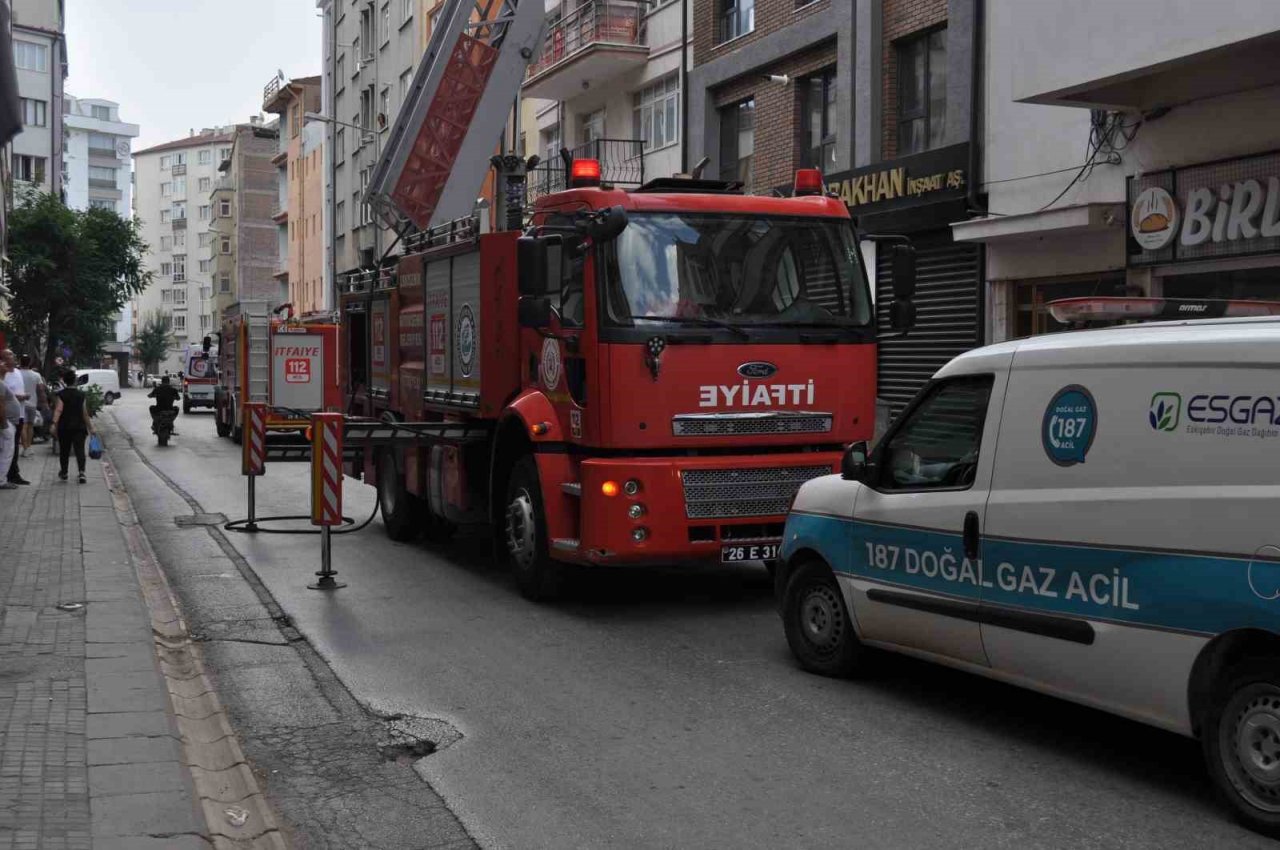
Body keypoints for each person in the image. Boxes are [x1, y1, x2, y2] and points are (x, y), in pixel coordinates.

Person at [52, 369, 94, 484]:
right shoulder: (81, 395)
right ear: (75, 381)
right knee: (80, 450)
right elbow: (84, 413)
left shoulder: (61, 395)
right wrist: (91, 428)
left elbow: (58, 410)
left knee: (64, 451)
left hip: (64, 427)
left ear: (65, 381)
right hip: (79, 427)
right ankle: (82, 473)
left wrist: (54, 424)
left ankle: (64, 473)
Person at [1, 349, 28, 485]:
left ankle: (13, 474)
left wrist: (22, 396)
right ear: (3, 359)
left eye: (13, 354)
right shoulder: (3, 375)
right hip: (7, 419)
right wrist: (20, 397)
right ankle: (7, 475)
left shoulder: (17, 372)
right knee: (6, 448)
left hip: (19, 414)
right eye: (9, 355)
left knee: (14, 447)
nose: (13, 357)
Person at [0, 358, 21, 490]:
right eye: (1, 363)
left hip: (7, 421)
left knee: (4, 451)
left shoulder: (2, 382)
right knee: (7, 452)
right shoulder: (0, 384)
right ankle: (1, 480)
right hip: (6, 423)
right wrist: (4, 423)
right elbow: (0, 404)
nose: (4, 364)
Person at [18, 355, 43, 457]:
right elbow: (41, 389)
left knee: (23, 426)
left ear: (20, 361)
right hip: (33, 402)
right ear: (30, 362)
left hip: (20, 403)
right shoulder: (36, 375)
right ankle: (28, 447)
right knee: (30, 426)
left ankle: (24, 448)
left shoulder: (17, 374)